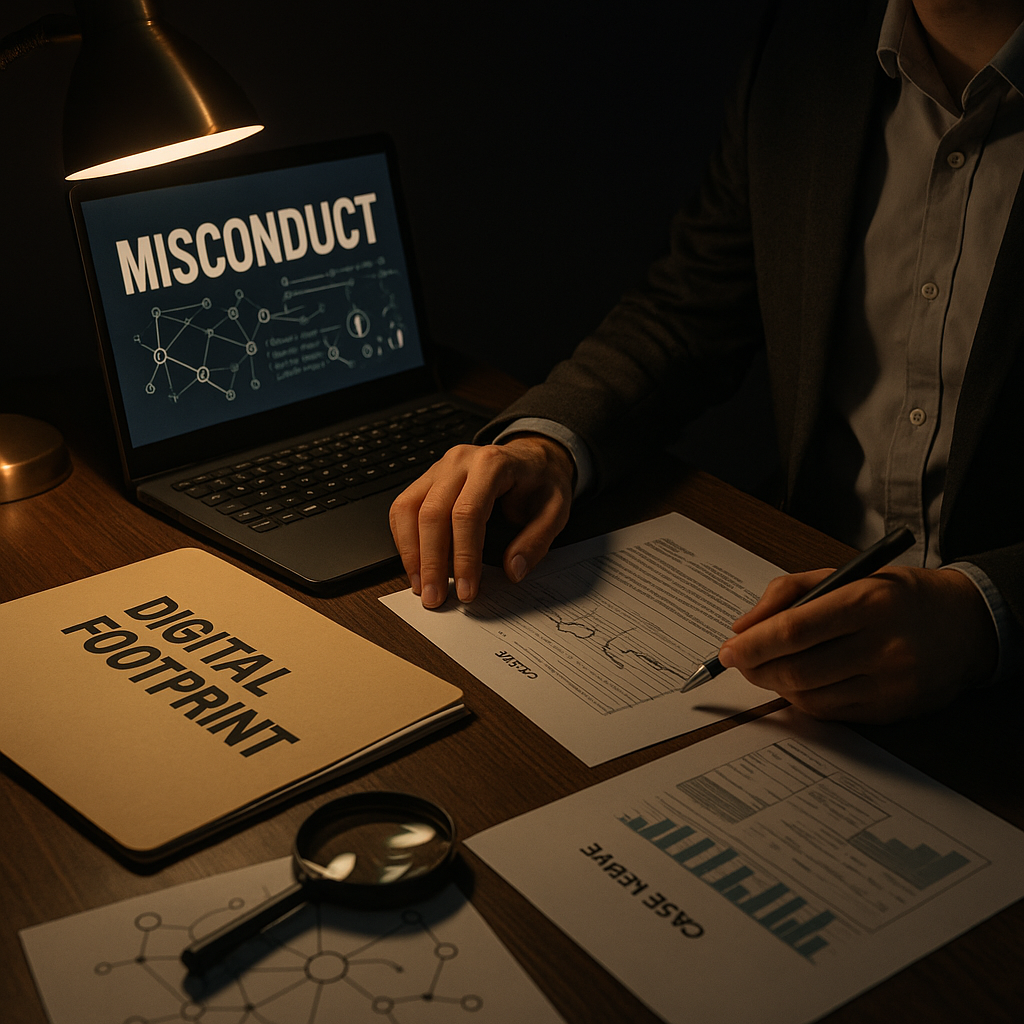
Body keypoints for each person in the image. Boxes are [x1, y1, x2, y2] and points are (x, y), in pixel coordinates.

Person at [389, 0, 1024, 724]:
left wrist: (983, 613)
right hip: (793, 610)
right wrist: (548, 443)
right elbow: (693, 305)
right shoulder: (811, 48)